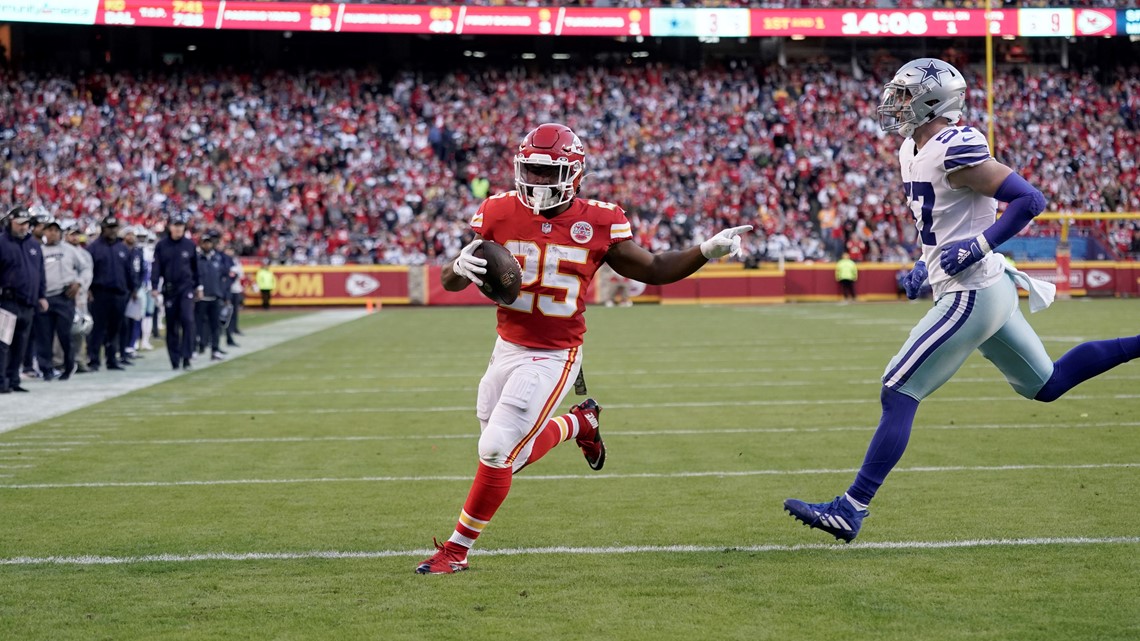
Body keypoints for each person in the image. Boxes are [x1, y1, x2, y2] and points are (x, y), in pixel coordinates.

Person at [783, 58, 1140, 542]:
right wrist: (923, 266)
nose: (896, 103)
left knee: (898, 391)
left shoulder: (956, 146)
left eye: (905, 95)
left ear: (933, 100)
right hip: (984, 289)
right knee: (1048, 384)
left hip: (972, 291)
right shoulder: (913, 147)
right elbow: (946, 224)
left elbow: (1029, 200)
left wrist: (980, 245)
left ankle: (852, 507)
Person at [416, 123, 751, 574]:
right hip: (507, 346)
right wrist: (458, 265)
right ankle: (579, 422)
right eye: (529, 170)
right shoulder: (497, 211)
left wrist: (704, 251)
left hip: (555, 354)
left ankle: (456, 551)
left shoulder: (599, 219)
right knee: (503, 459)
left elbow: (652, 269)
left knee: (497, 451)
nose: (534, 181)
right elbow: (451, 280)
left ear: (573, 173)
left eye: (544, 171)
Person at [0, 207, 47, 393]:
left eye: (26, 223)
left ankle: (13, 380)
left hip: (28, 302)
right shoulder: (2, 243)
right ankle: (1, 381)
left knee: (21, 344)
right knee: (3, 344)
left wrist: (42, 295)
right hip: (7, 301)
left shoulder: (33, 245)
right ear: (10, 222)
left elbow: (40, 273)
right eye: (20, 223)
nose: (23, 227)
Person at [35, 217, 88, 381]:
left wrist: (79, 283)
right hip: (44, 297)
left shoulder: (70, 250)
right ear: (44, 232)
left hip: (64, 296)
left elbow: (85, 268)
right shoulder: (38, 250)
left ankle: (69, 365)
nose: (53, 233)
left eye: (56, 231)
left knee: (65, 334)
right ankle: (46, 369)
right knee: (44, 336)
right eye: (50, 230)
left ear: (60, 233)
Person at [86, 214, 137, 371]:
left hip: (119, 293)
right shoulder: (93, 248)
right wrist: (88, 289)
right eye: (109, 228)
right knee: (97, 328)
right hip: (99, 292)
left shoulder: (123, 248)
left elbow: (129, 271)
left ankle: (111, 359)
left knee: (115, 328)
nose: (112, 231)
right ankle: (94, 359)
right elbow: (88, 271)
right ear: (103, 229)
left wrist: (133, 288)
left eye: (115, 228)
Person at [151, 213, 199, 370]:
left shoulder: (190, 245)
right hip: (170, 289)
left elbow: (195, 268)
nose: (178, 228)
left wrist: (199, 287)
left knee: (188, 320)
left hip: (186, 288)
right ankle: (174, 358)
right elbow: (156, 267)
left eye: (180, 225)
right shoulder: (162, 245)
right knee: (172, 325)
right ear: (170, 227)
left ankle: (187, 356)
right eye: (175, 225)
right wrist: (155, 286)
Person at [194, 232, 230, 361]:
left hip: (215, 296)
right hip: (200, 298)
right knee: (197, 325)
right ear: (201, 244)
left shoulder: (218, 258)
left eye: (209, 242)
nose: (207, 245)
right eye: (205, 242)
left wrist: (224, 294)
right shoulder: (196, 258)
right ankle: (196, 347)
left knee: (215, 326)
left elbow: (224, 277)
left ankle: (215, 350)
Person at [64, 224, 94, 373]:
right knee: (63, 331)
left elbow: (89, 273)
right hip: (65, 295)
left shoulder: (85, 254)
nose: (75, 237)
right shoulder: (62, 251)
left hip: (81, 295)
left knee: (81, 329)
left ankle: (79, 360)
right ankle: (61, 361)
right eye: (72, 234)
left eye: (77, 234)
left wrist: (83, 287)